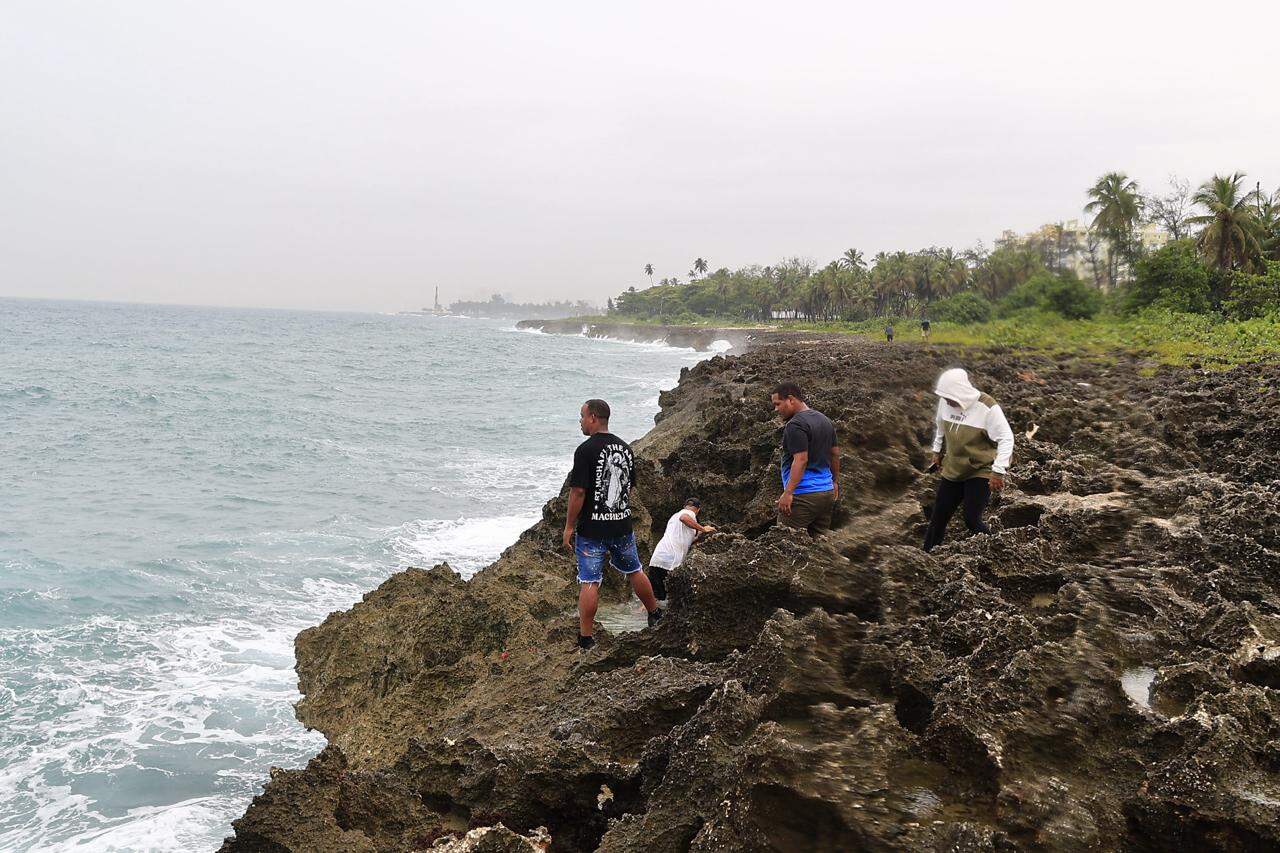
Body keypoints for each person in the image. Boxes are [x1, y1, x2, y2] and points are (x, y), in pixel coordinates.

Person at [563, 398, 661, 649]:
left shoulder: (585, 450)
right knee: (635, 570)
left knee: (590, 580)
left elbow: (578, 492)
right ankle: (655, 614)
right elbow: (628, 488)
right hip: (621, 524)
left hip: (592, 529)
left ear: (593, 417)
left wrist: (569, 527)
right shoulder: (625, 448)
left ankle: (586, 638)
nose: (581, 422)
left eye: (582, 416)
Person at [922, 367, 1015, 552]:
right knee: (938, 517)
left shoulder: (987, 407)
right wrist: (937, 451)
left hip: (980, 469)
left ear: (961, 392)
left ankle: (999, 551)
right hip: (954, 467)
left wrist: (998, 471)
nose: (947, 401)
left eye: (950, 398)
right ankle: (926, 557)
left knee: (971, 519)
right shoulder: (944, 402)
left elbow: (1006, 438)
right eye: (945, 397)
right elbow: (940, 426)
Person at [770, 382, 840, 536]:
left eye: (778, 404)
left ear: (791, 399)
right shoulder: (824, 420)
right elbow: (834, 453)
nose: (776, 409)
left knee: (784, 541)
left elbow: (801, 460)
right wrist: (834, 482)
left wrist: (788, 493)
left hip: (803, 496)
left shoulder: (795, 425)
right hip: (826, 493)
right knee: (819, 544)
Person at [647, 498, 715, 601]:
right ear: (698, 510)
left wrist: (700, 534)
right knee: (672, 599)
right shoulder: (688, 513)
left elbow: (686, 540)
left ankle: (637, 616)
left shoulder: (674, 517)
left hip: (657, 559)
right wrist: (702, 528)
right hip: (670, 562)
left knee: (654, 598)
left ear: (684, 505)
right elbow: (684, 518)